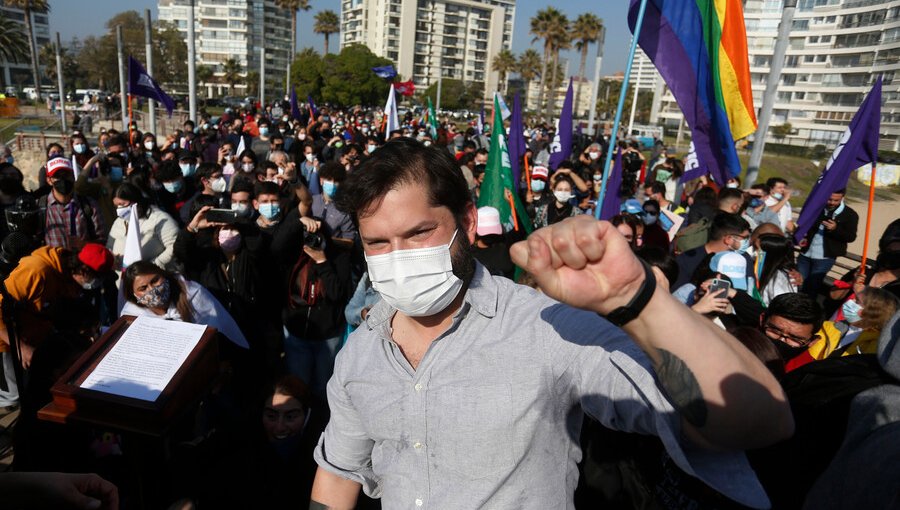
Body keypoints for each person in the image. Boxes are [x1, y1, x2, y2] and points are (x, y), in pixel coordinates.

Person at [312, 138, 791, 509]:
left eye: (419, 233)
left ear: (468, 223)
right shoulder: (362, 350)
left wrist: (638, 301)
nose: (398, 258)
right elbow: (340, 471)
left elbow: (753, 422)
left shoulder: (546, 327)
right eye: (377, 243)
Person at [120, 260, 248, 349]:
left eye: (155, 281)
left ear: (163, 275)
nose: (152, 290)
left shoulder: (191, 292)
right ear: (134, 294)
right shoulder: (131, 315)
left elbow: (217, 332)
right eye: (143, 288)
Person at [797, 189, 859, 297]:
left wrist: (835, 229)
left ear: (842, 197)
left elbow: (851, 237)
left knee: (812, 287)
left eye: (836, 200)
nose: (832, 202)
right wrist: (803, 236)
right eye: (829, 199)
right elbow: (806, 227)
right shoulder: (817, 208)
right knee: (798, 284)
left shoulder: (850, 214)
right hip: (805, 254)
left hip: (825, 258)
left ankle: (806, 310)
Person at [107, 183, 180, 273]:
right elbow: (109, 246)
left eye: (123, 204)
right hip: (126, 280)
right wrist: (113, 258)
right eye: (116, 206)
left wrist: (155, 264)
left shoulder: (158, 219)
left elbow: (175, 246)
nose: (119, 209)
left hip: (156, 275)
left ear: (135, 201)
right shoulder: (119, 222)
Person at [41, 157, 106, 250]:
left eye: (66, 175)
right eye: (57, 176)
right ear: (49, 180)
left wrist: (84, 245)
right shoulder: (41, 207)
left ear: (73, 176)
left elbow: (102, 240)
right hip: (53, 263)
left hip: (83, 262)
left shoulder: (89, 205)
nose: (63, 180)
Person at [674, 212, 750, 290]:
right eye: (745, 238)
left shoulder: (743, 259)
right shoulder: (686, 261)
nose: (748, 242)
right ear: (729, 239)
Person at [759, 293, 823, 371]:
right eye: (775, 331)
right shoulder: (740, 344)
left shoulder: (805, 376)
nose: (781, 341)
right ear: (762, 320)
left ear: (813, 342)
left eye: (794, 339)